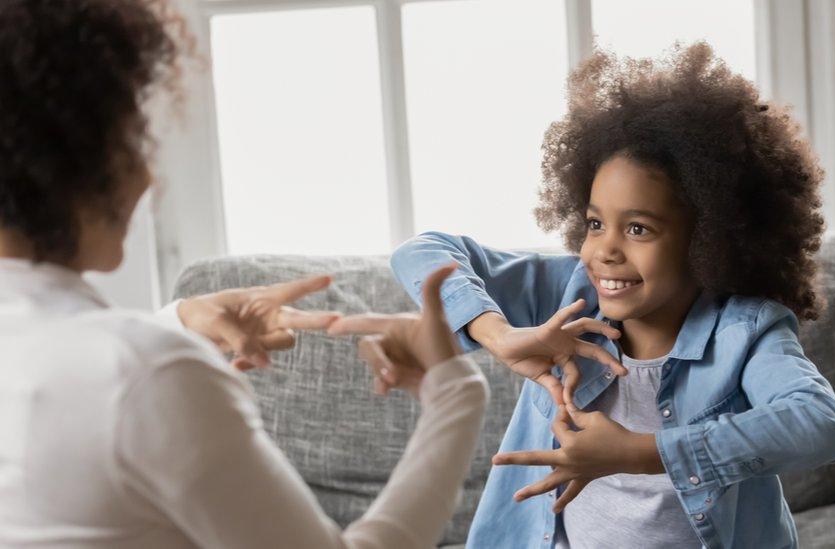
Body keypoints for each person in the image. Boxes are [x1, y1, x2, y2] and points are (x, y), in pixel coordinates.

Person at [0, 1, 488, 547]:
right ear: (72, 158)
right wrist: (457, 394)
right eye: (133, 139)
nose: (145, 176)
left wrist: (178, 322)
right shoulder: (148, 375)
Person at [390, 44, 835, 548]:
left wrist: (640, 452)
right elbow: (422, 252)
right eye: (594, 223)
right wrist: (496, 335)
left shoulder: (746, 332)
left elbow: (820, 425)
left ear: (709, 239)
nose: (604, 250)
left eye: (637, 228)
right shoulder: (569, 294)